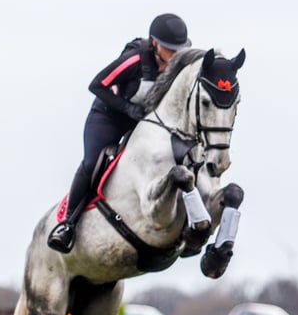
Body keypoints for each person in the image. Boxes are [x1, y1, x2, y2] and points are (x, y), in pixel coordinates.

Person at [47, 13, 192, 253]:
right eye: (169, 49)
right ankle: (67, 224)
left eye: (178, 49)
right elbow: (96, 84)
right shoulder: (134, 59)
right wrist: (128, 109)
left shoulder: (179, 66)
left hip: (144, 123)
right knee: (93, 162)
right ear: (154, 43)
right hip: (109, 117)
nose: (174, 55)